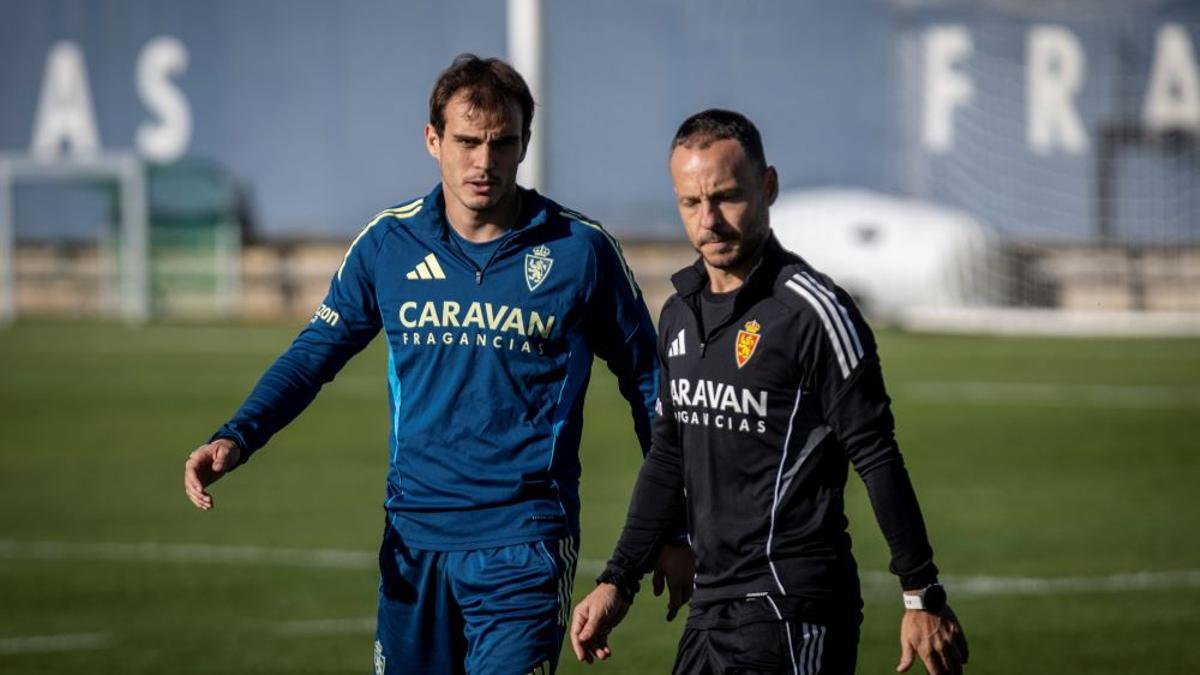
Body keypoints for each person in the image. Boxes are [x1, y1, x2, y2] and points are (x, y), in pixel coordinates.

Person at [182, 54, 691, 675]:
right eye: (467, 141)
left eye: (502, 143)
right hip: (413, 540)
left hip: (523, 545)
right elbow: (314, 354)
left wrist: (674, 524)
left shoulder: (579, 251)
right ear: (433, 140)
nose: (484, 161)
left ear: (525, 143)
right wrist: (238, 433)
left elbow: (650, 382)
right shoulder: (387, 244)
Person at [570, 109, 970, 675]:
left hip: (793, 606)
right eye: (691, 203)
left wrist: (920, 592)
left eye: (727, 197)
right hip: (711, 607)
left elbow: (877, 454)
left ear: (768, 187)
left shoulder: (812, 312)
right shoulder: (679, 314)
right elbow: (668, 457)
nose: (709, 220)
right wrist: (619, 580)